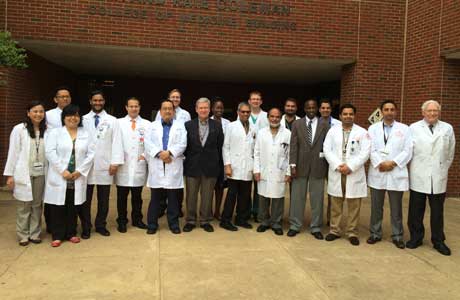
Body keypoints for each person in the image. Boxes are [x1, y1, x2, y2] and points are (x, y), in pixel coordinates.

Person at [406, 100, 455, 256]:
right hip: (418, 174)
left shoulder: (447, 128)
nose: (433, 113)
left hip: (438, 174)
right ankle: (416, 237)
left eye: (435, 111)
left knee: (437, 212)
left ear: (439, 112)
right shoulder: (413, 128)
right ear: (423, 112)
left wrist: (443, 168)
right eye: (429, 111)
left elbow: (450, 153)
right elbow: (408, 151)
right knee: (416, 210)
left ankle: (438, 240)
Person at [44, 104, 95, 247]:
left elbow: (91, 153)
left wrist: (80, 171)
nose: (73, 118)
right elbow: (50, 152)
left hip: (77, 176)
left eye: (76, 115)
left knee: (73, 205)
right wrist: (62, 170)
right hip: (60, 176)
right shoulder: (55, 133)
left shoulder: (86, 132)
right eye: (69, 115)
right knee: (58, 206)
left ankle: (71, 233)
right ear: (63, 118)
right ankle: (57, 235)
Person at [367, 100, 412, 249]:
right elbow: (370, 149)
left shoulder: (404, 129)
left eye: (392, 109)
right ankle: (375, 233)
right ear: (381, 111)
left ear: (396, 111)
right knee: (376, 207)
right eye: (386, 109)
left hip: (396, 172)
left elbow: (408, 150)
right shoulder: (373, 129)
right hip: (378, 171)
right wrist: (381, 163)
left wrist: (392, 163)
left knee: (396, 208)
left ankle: (397, 235)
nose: (389, 112)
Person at [323, 104, 371, 246]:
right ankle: (334, 230)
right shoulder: (333, 131)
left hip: (353, 172)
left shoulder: (362, 132)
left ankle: (352, 232)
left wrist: (350, 166)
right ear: (340, 116)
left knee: (354, 205)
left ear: (354, 116)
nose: (348, 116)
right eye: (345, 114)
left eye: (351, 114)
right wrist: (338, 165)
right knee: (336, 204)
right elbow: (327, 149)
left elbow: (365, 152)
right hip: (337, 171)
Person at [78, 90, 124, 238]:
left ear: (104, 102)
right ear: (90, 101)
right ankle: (86, 226)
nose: (98, 103)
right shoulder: (82, 119)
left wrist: (115, 162)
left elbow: (117, 142)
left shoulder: (112, 120)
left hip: (105, 165)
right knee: (85, 199)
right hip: (86, 166)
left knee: (103, 200)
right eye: (95, 100)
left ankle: (100, 225)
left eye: (100, 100)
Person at [4, 101, 47, 246]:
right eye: (35, 111)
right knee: (24, 205)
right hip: (24, 173)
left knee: (36, 205)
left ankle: (34, 233)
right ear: (28, 113)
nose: (38, 114)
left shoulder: (47, 129)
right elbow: (13, 152)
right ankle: (23, 234)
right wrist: (10, 175)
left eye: (41, 111)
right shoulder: (19, 129)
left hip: (41, 173)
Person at [287, 99, 329, 238]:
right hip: (300, 166)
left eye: (313, 107)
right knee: (297, 198)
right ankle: (295, 225)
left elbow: (328, 146)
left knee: (317, 199)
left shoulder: (325, 124)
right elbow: (293, 145)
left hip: (319, 165)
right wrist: (292, 164)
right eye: (308, 107)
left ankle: (316, 227)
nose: (311, 109)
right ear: (304, 109)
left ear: (317, 108)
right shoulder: (297, 124)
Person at [145, 100, 187, 234]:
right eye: (165, 109)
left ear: (174, 112)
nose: (167, 111)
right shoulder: (152, 126)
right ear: (160, 111)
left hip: (172, 162)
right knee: (155, 198)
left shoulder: (181, 126)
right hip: (157, 163)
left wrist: (169, 153)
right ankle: (152, 225)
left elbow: (183, 144)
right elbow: (148, 143)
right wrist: (160, 154)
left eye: (170, 109)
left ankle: (173, 224)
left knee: (173, 199)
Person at [182, 98, 224, 233]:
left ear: (209, 109)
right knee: (191, 195)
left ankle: (205, 220)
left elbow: (220, 146)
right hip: (192, 165)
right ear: (196, 109)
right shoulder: (188, 125)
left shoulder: (217, 125)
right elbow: (185, 146)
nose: (203, 110)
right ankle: (191, 220)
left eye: (206, 108)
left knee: (207, 196)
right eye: (201, 108)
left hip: (210, 166)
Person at [254, 108, 291, 236]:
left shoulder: (287, 133)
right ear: (268, 117)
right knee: (263, 197)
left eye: (277, 117)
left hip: (279, 171)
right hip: (264, 169)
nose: (274, 119)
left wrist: (288, 172)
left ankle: (276, 223)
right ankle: (264, 222)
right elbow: (257, 152)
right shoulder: (261, 133)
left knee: (278, 198)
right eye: (272, 116)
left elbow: (290, 155)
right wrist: (256, 170)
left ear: (281, 118)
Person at [220, 102, 257, 231]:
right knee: (232, 195)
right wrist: (227, 165)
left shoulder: (253, 128)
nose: (245, 114)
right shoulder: (231, 126)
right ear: (238, 112)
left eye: (248, 112)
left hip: (248, 166)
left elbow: (254, 149)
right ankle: (225, 220)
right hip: (234, 166)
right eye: (243, 111)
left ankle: (241, 218)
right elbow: (226, 147)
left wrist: (254, 167)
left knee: (245, 195)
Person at [115, 97, 150, 233]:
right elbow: (115, 142)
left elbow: (151, 142)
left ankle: (137, 219)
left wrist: (145, 155)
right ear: (126, 107)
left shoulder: (147, 124)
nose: (134, 108)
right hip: (123, 165)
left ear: (139, 107)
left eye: (136, 106)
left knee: (137, 197)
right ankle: (122, 221)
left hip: (138, 164)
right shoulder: (118, 123)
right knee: (121, 197)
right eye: (131, 106)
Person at [156, 89, 191, 217]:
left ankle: (178, 207)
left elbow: (186, 135)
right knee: (162, 182)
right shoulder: (162, 111)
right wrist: (163, 153)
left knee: (177, 184)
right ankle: (161, 206)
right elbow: (157, 132)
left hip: (177, 155)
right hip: (162, 155)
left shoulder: (185, 114)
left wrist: (172, 152)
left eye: (178, 97)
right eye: (173, 97)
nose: (175, 99)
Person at [44, 86, 72, 232]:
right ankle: (51, 225)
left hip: (69, 160)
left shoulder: (74, 114)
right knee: (51, 196)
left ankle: (68, 226)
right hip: (53, 160)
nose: (65, 99)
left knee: (67, 197)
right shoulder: (48, 115)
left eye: (67, 96)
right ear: (55, 99)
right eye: (62, 96)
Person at [247, 91, 269, 222]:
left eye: (258, 99)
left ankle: (258, 212)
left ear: (261, 102)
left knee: (259, 186)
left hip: (261, 155)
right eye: (253, 99)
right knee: (246, 186)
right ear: (249, 101)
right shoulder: (243, 114)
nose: (255, 101)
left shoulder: (266, 116)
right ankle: (246, 210)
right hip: (247, 154)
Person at [319, 98, 341, 226]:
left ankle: (330, 219)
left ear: (331, 110)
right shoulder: (314, 123)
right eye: (323, 108)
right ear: (319, 109)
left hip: (333, 161)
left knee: (333, 191)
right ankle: (317, 218)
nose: (325, 110)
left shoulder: (338, 124)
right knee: (318, 191)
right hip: (319, 160)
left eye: (328, 108)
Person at [210, 97, 231, 220]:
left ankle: (217, 211)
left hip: (222, 159)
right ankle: (208, 211)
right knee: (209, 188)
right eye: (217, 107)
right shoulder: (207, 121)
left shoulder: (228, 123)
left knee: (220, 187)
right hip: (211, 159)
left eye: (221, 108)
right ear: (212, 109)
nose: (219, 110)